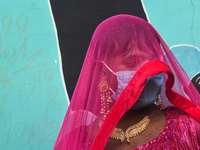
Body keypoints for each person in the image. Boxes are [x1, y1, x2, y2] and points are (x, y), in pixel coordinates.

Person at [54, 15, 200, 150]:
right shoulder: (77, 141)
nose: (147, 72)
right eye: (132, 62)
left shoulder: (188, 126)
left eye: (152, 62)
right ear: (102, 71)